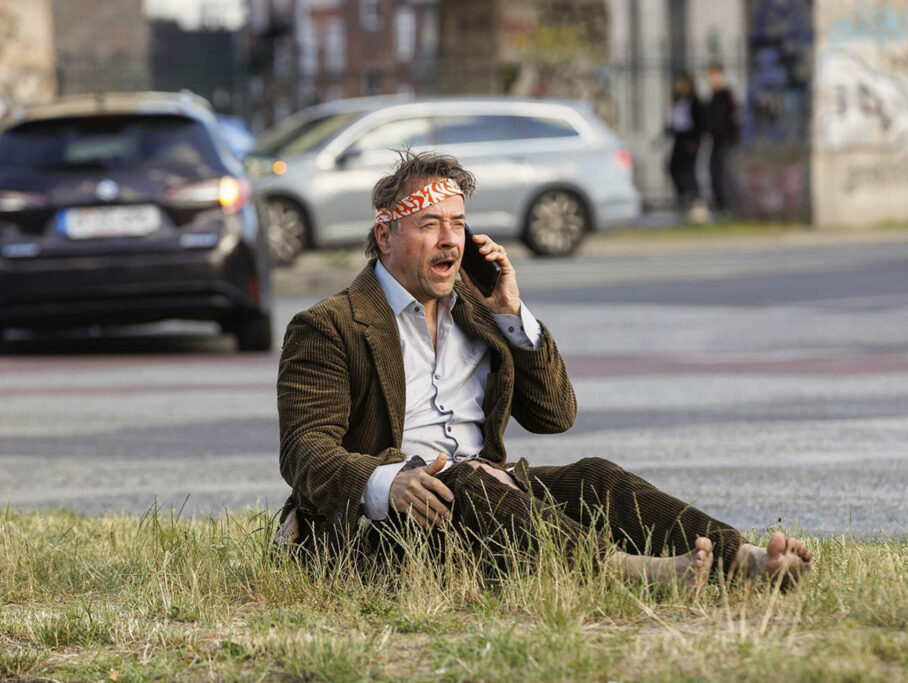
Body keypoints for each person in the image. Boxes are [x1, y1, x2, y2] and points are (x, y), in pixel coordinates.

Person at [275, 151, 812, 588]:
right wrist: (390, 483)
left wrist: (512, 316)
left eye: (458, 224)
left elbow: (556, 414)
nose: (450, 240)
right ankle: (619, 573)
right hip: (392, 522)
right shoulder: (329, 325)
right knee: (463, 479)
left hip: (491, 495)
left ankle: (739, 558)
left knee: (595, 477)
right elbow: (304, 452)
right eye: (430, 224)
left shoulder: (481, 306)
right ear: (386, 236)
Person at [666, 73, 705, 209]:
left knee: (689, 170)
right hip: (679, 138)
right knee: (673, 168)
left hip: (689, 140)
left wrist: (694, 140)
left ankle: (694, 198)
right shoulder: (677, 101)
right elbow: (673, 121)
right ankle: (683, 196)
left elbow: (699, 123)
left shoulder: (694, 102)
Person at [705, 63, 739, 212]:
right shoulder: (714, 95)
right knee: (714, 171)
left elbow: (729, 119)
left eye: (713, 75)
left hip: (726, 140)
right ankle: (720, 203)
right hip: (716, 140)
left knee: (722, 172)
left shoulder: (726, 95)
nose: (711, 79)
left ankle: (725, 204)